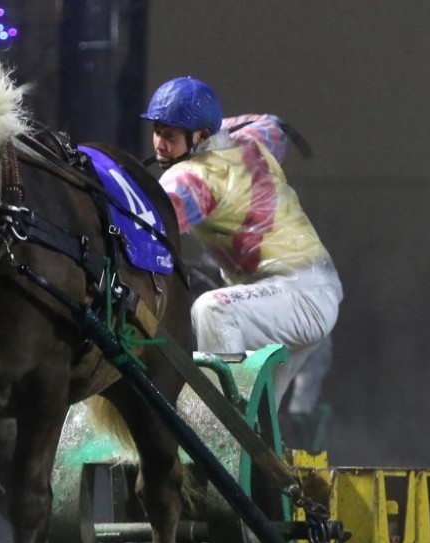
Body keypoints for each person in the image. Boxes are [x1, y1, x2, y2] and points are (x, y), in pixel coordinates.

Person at [142, 76, 343, 408]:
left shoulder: (191, 179)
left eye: (170, 136)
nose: (160, 145)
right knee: (260, 416)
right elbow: (274, 126)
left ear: (200, 136)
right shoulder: (251, 138)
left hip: (298, 298)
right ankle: (240, 428)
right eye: (157, 132)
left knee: (213, 310)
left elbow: (147, 228)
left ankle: (219, 424)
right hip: (308, 293)